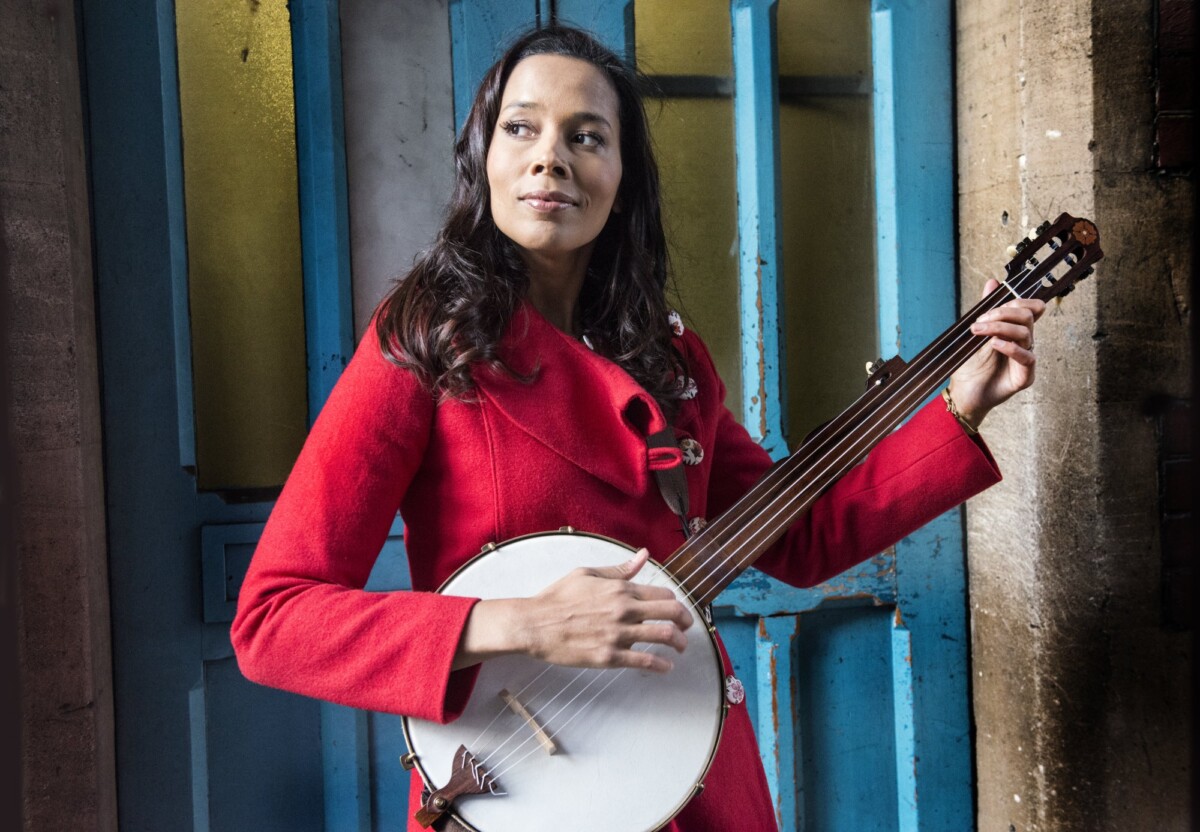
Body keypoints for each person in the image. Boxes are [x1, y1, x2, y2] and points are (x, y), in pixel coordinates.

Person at [231, 25, 1042, 832]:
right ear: (484, 154)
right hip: (514, 786)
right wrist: (524, 623)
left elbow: (799, 541)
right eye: (521, 127)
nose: (551, 157)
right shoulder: (419, 345)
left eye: (587, 137)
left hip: (689, 778)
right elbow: (273, 620)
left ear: (623, 178)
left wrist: (960, 406)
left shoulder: (670, 357)